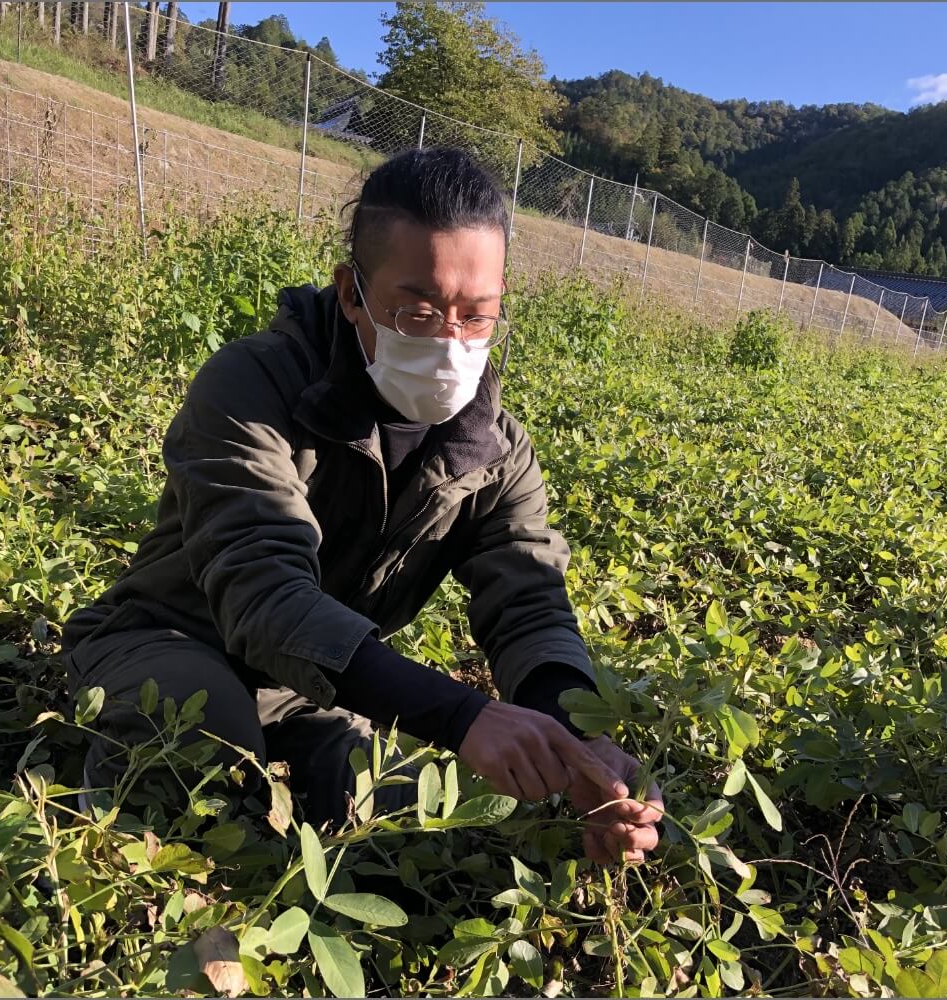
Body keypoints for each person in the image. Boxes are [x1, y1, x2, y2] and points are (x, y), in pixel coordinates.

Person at [61, 147, 663, 865]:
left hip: (316, 687)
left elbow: (528, 603)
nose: (450, 343)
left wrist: (578, 738)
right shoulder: (253, 387)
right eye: (418, 310)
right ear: (351, 293)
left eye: (477, 316)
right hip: (170, 639)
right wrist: (462, 717)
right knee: (202, 754)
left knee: (413, 836)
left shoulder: (494, 447)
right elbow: (264, 594)